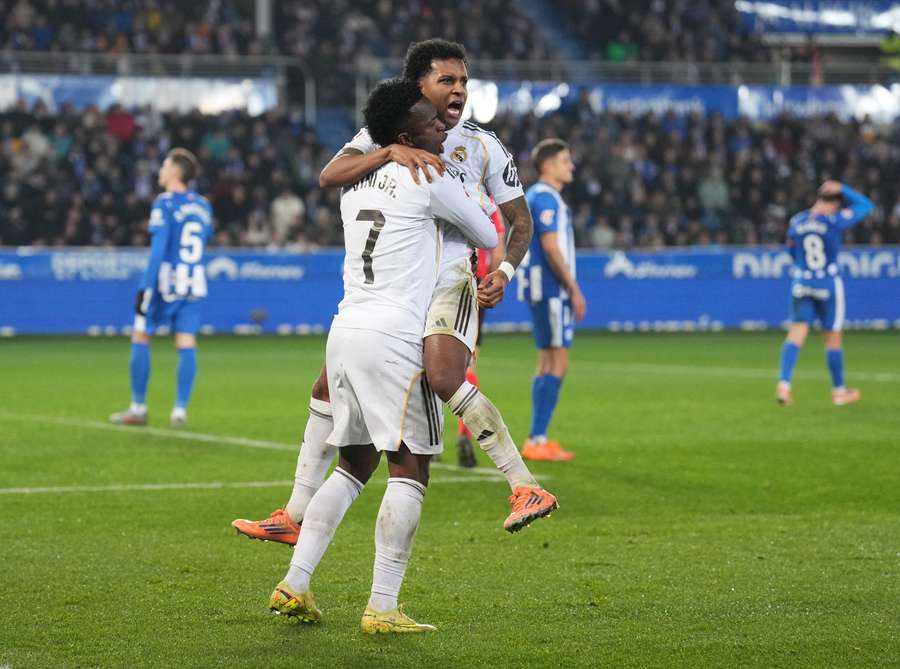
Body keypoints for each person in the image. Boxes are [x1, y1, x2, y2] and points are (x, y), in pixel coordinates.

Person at [232, 39, 557, 545]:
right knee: (326, 385)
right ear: (418, 88)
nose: (458, 91)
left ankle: (523, 486)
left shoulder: (484, 146)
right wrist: (387, 149)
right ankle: (293, 514)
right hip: (400, 283)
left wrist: (507, 271)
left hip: (450, 279)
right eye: (447, 81)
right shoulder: (381, 134)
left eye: (464, 81)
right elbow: (329, 175)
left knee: (444, 373)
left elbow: (519, 221)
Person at [268, 77, 499, 634]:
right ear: (404, 134)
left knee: (354, 466)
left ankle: (294, 583)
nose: (442, 128)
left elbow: (337, 171)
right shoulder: (430, 174)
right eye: (430, 122)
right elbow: (486, 236)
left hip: (344, 334)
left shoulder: (357, 179)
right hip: (395, 338)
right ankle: (383, 606)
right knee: (411, 468)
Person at [109, 148, 213, 427]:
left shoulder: (164, 203)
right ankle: (179, 410)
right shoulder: (203, 205)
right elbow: (205, 238)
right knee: (186, 342)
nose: (160, 170)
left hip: (165, 282)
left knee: (141, 335)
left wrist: (145, 286)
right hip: (192, 282)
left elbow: (159, 247)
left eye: (164, 165)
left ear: (176, 171)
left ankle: (138, 407)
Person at [776, 180, 873, 406]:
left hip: (801, 282)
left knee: (796, 334)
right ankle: (839, 392)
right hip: (827, 284)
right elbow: (867, 206)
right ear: (835, 203)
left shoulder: (797, 221)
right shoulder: (833, 220)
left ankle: (784, 385)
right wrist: (844, 188)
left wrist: (803, 267)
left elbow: (790, 249)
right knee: (832, 339)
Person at [519, 139, 585, 461]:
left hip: (539, 287)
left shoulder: (536, 195)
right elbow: (550, 245)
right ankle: (537, 438)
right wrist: (572, 287)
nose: (570, 166)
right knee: (559, 361)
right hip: (550, 288)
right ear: (547, 165)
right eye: (564, 160)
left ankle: (536, 438)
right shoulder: (545, 197)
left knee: (547, 361)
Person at [456, 206, 506, 468]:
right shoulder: (491, 207)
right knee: (468, 363)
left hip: (446, 285)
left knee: (428, 364)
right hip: (477, 287)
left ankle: (423, 439)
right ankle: (465, 434)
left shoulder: (451, 188)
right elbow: (498, 254)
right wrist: (491, 285)